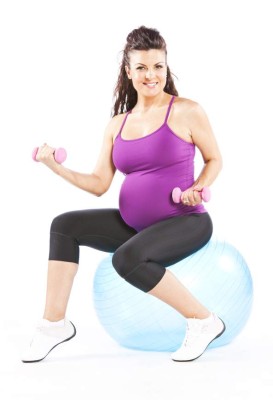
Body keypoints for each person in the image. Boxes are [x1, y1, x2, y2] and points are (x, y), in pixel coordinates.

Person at [22, 25, 225, 363]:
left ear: (166, 68)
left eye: (158, 66)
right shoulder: (117, 124)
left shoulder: (187, 110)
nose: (151, 75)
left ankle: (203, 320)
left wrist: (198, 187)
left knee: (126, 258)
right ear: (129, 72)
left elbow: (215, 159)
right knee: (64, 225)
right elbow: (100, 183)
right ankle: (53, 324)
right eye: (142, 67)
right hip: (136, 227)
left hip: (185, 221)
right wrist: (56, 168)